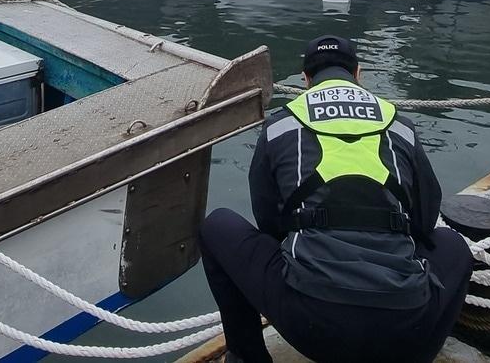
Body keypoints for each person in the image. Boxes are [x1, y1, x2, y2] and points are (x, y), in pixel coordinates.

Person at [199, 34, 473, 363]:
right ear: (358, 74)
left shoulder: (280, 125)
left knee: (216, 226)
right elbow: (426, 222)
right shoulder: (399, 125)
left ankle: (247, 358)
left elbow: (269, 223)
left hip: (311, 324)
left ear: (305, 80)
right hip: (406, 328)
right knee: (454, 246)